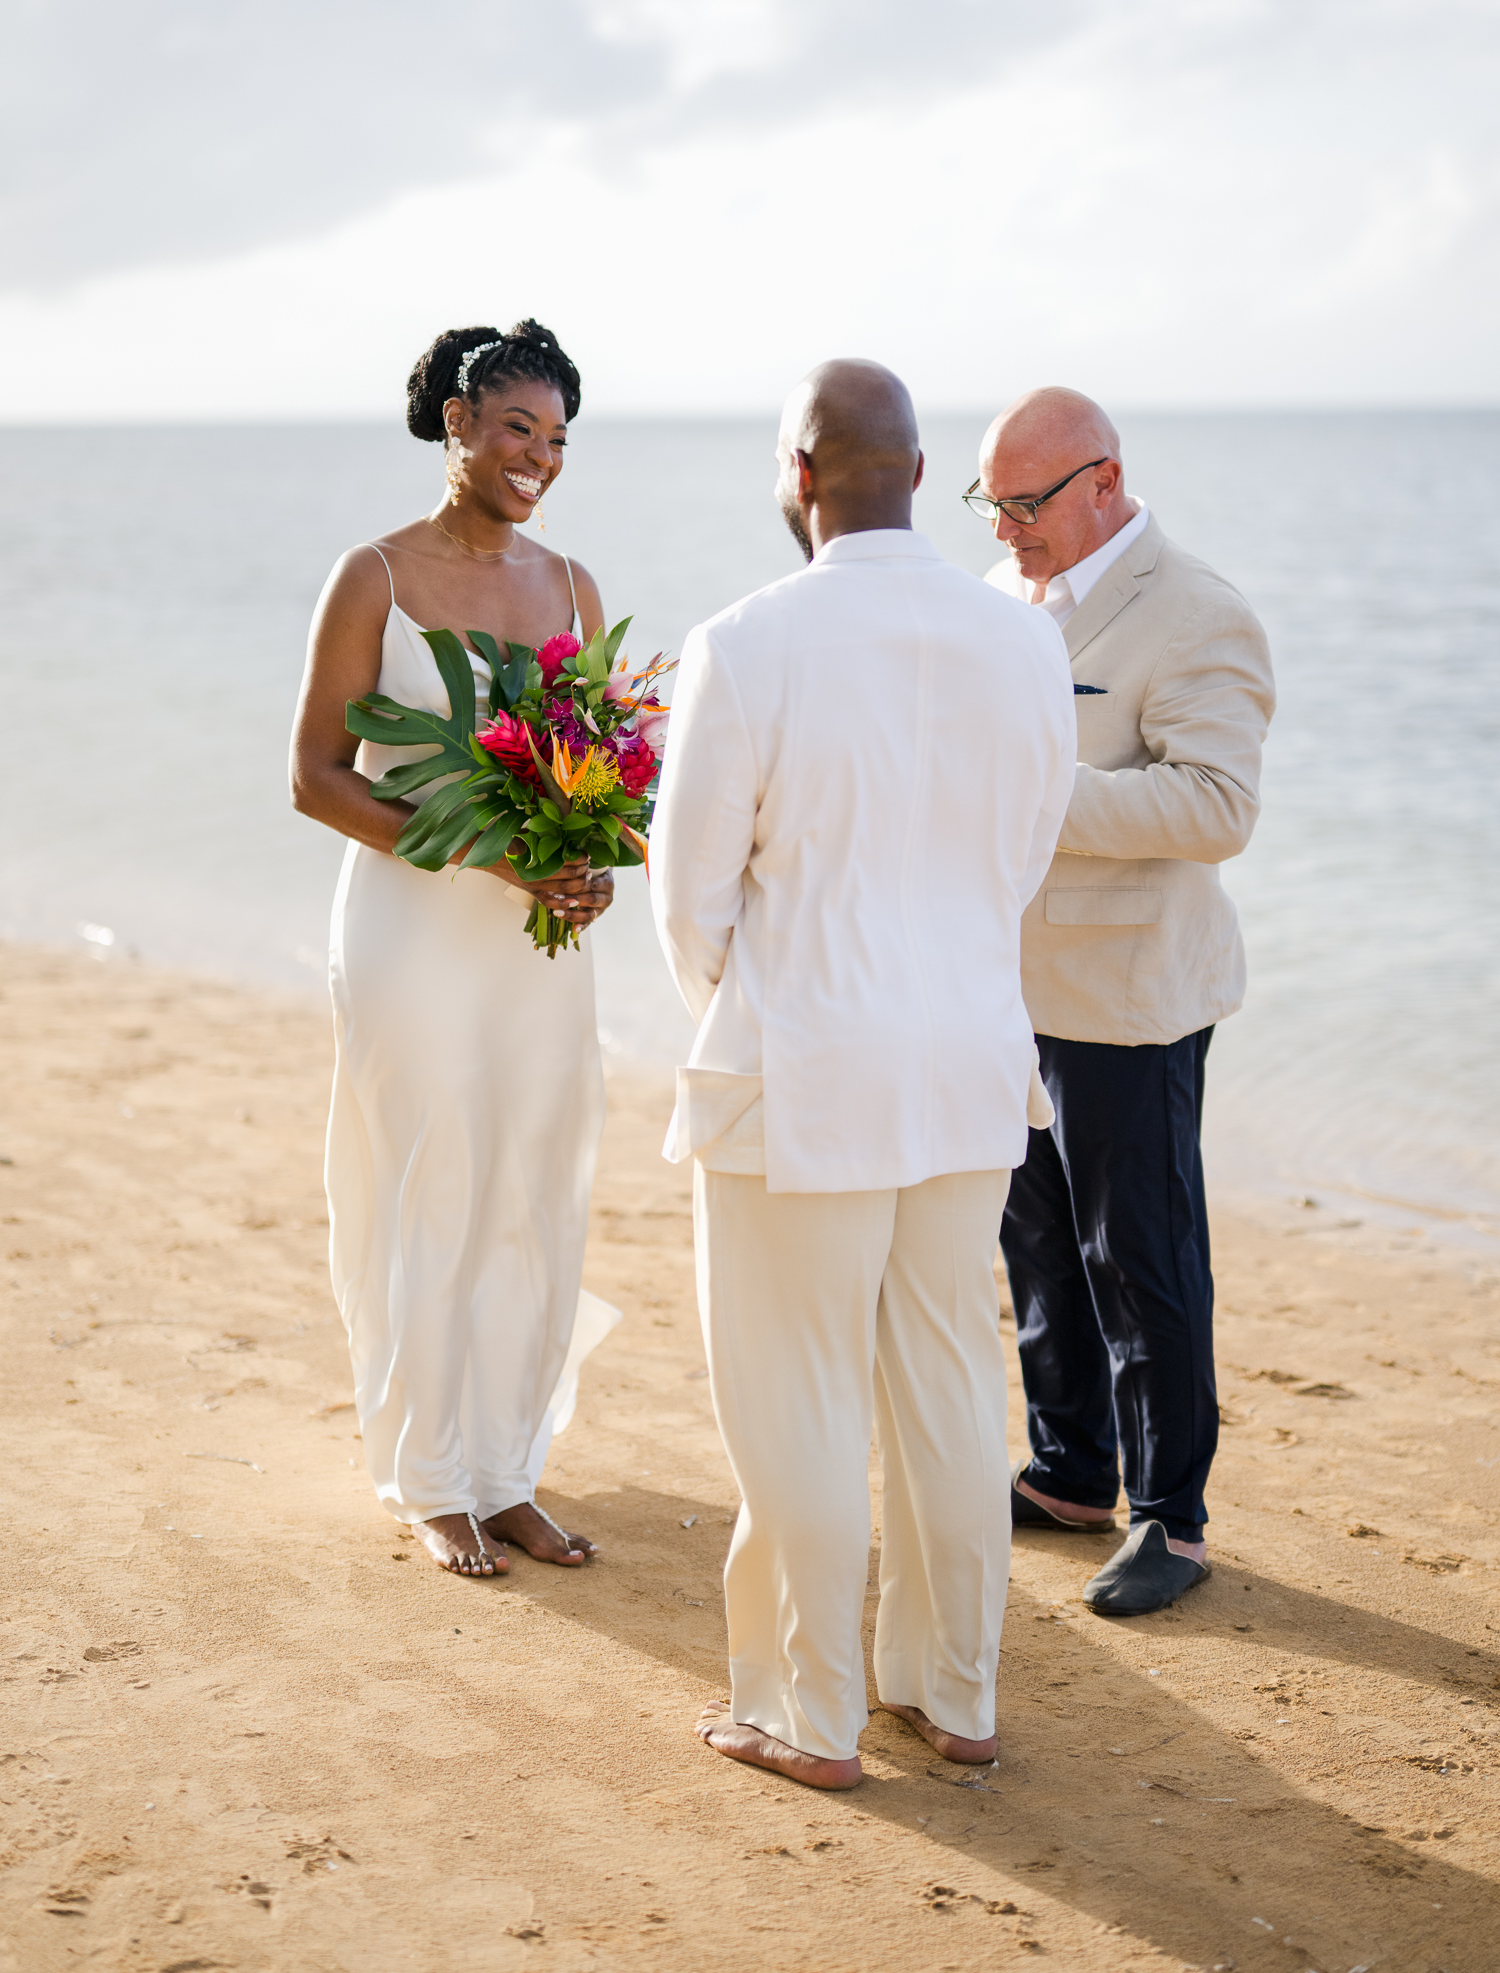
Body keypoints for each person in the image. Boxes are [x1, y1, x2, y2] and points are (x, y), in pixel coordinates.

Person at [651, 360, 1076, 1790]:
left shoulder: (745, 641)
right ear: (911, 470)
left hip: (803, 1066)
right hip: (966, 1061)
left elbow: (688, 898)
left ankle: (804, 1709)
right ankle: (953, 1691)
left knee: (799, 1396)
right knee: (954, 1382)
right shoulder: (1019, 640)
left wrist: (768, 1000)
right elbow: (1021, 856)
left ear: (801, 472)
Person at [289, 320, 618, 1579]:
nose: (537, 456)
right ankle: (430, 1478)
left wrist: (586, 864)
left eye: (556, 437)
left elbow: (589, 768)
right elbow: (316, 779)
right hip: (411, 930)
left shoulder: (576, 588)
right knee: (432, 1180)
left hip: (535, 941)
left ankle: (506, 1469)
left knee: (533, 1185)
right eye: (517, 428)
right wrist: (487, 854)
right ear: (457, 427)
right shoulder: (372, 574)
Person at [965, 386, 1275, 1617]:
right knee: (1033, 1242)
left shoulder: (1200, 614)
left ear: (1104, 481)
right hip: (1004, 987)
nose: (1006, 530)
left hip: (1135, 993)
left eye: (1026, 504)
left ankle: (1171, 1517)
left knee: (1139, 1255)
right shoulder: (1000, 601)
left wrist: (1028, 793)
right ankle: (1070, 1472)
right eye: (990, 503)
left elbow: (1218, 807)